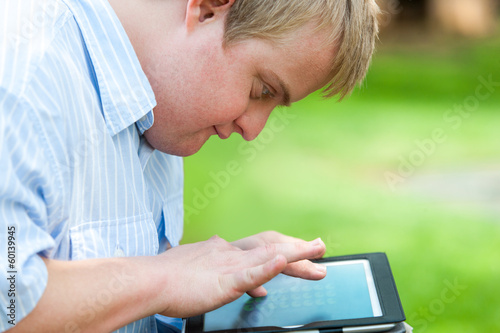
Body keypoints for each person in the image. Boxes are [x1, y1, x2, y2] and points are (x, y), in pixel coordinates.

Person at [0, 0, 379, 331]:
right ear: (208, 8)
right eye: (261, 90)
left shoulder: (165, 108)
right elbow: (11, 303)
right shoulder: (23, 76)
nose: (253, 129)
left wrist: (209, 272)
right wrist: (165, 278)